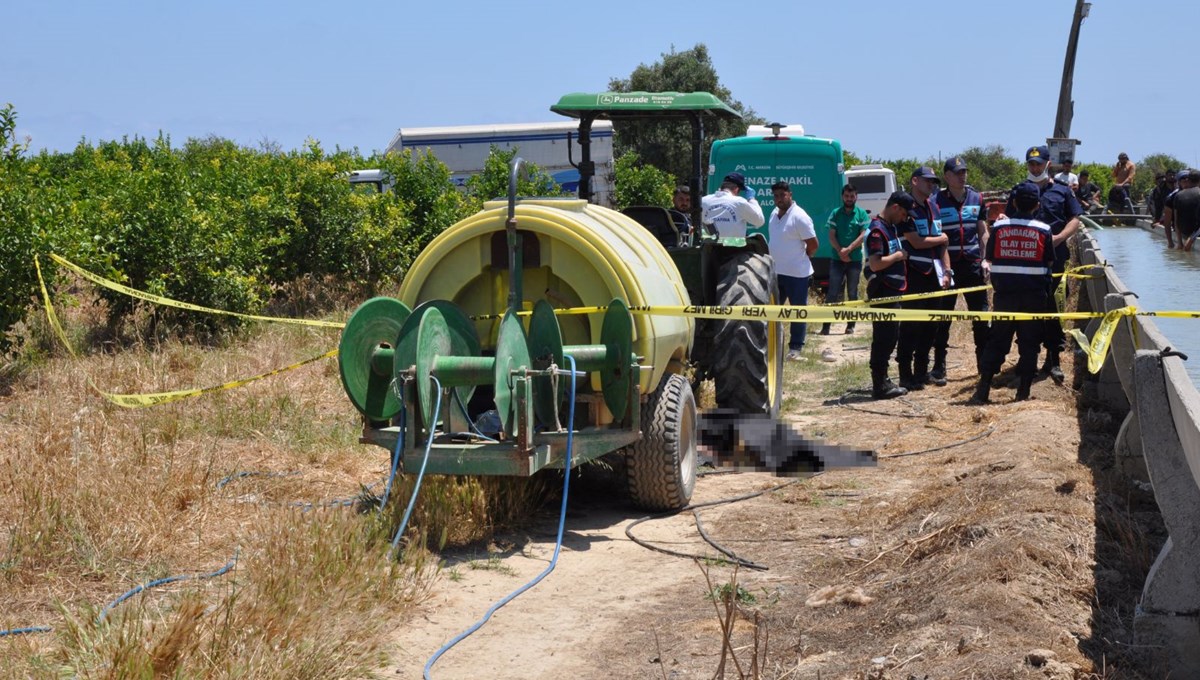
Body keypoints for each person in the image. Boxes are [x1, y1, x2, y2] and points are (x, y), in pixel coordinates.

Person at [970, 181, 1056, 404]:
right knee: (1029, 344)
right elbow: (1048, 262)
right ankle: (1023, 393)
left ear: (1014, 202)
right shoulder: (1044, 230)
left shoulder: (998, 228)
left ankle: (983, 390)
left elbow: (990, 258)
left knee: (997, 341)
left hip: (1004, 296)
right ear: (1037, 205)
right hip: (1034, 297)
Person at [1006, 145, 1083, 385]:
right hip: (1025, 264)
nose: (1035, 167)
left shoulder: (1062, 192)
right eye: (1031, 164)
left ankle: (1054, 359)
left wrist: (1060, 238)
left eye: (1039, 164)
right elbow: (1009, 219)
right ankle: (1026, 357)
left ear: (1048, 164)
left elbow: (1075, 219)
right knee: (1025, 310)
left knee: (1051, 308)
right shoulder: (1018, 191)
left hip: (1054, 259)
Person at [933, 156, 990, 376]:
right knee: (943, 317)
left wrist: (986, 259)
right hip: (949, 268)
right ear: (947, 176)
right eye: (957, 172)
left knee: (981, 317)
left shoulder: (977, 198)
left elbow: (983, 231)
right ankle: (939, 366)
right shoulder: (936, 201)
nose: (962, 175)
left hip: (974, 266)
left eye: (964, 171)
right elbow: (936, 236)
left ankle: (984, 366)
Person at [896, 166, 951, 391]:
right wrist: (941, 239)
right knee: (911, 326)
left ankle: (922, 371)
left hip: (934, 275)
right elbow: (916, 242)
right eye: (928, 181)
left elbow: (943, 244)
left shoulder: (934, 207)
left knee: (931, 326)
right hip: (913, 273)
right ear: (915, 181)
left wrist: (947, 271)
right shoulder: (906, 209)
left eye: (934, 181)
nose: (932, 185)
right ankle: (905, 375)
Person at [865, 191, 915, 399]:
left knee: (890, 336)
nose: (905, 218)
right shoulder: (878, 231)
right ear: (895, 208)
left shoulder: (889, 227)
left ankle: (884, 380)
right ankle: (880, 385)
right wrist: (898, 256)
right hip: (883, 291)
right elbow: (876, 264)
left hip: (892, 290)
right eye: (904, 213)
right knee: (884, 338)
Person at [768, 181, 819, 360]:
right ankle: (770, 345)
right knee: (772, 311)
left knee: (798, 312)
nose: (779, 199)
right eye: (776, 196)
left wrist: (801, 257)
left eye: (783, 195)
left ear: (790, 194)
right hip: (776, 272)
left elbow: (813, 244)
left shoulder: (799, 216)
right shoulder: (774, 213)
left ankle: (795, 349)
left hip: (797, 274)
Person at [820, 183, 870, 336]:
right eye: (847, 196)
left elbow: (863, 236)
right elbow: (831, 235)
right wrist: (840, 251)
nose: (849, 199)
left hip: (854, 260)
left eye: (852, 196)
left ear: (856, 197)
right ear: (843, 197)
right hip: (837, 259)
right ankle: (826, 327)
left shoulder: (862, 214)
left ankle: (850, 326)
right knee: (832, 293)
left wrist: (848, 249)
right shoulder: (835, 213)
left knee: (853, 294)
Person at [701, 172, 764, 239]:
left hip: (709, 248)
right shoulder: (739, 202)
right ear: (736, 189)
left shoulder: (703, 201)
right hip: (733, 248)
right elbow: (759, 220)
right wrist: (751, 199)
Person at [1165, 169, 1200, 251]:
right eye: (1183, 179)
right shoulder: (1172, 197)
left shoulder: (1181, 195)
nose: (1186, 181)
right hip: (1187, 231)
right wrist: (1172, 242)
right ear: (1178, 182)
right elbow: (1170, 221)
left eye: (1187, 179)